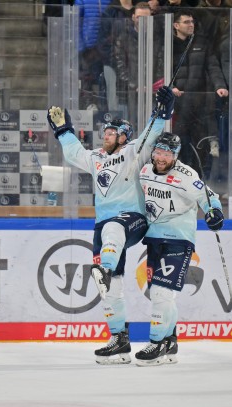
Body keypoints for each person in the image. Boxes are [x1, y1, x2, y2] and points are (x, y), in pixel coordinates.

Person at [46, 85, 175, 365]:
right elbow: (73, 154)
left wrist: (163, 112)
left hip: (133, 219)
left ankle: (103, 268)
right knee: (110, 288)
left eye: (111, 132)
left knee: (112, 231)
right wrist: (63, 131)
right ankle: (119, 340)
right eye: (104, 132)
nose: (105, 136)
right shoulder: (96, 158)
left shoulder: (132, 152)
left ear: (124, 136)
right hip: (104, 227)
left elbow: (151, 133)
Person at [136, 133, 223, 365]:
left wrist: (214, 212)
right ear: (153, 151)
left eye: (167, 153)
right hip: (154, 240)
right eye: (158, 152)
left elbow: (209, 197)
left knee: (160, 293)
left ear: (175, 155)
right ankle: (170, 341)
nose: (161, 158)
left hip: (179, 240)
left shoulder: (186, 175)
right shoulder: (145, 172)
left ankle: (155, 343)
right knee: (165, 295)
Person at [170, 10, 228, 176]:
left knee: (200, 144)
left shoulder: (202, 43)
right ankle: (176, 178)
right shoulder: (169, 44)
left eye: (192, 21)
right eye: (186, 22)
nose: (191, 25)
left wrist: (220, 85)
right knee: (178, 141)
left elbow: (213, 66)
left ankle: (199, 180)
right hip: (177, 104)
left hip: (199, 101)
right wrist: (171, 87)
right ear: (176, 25)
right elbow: (161, 68)